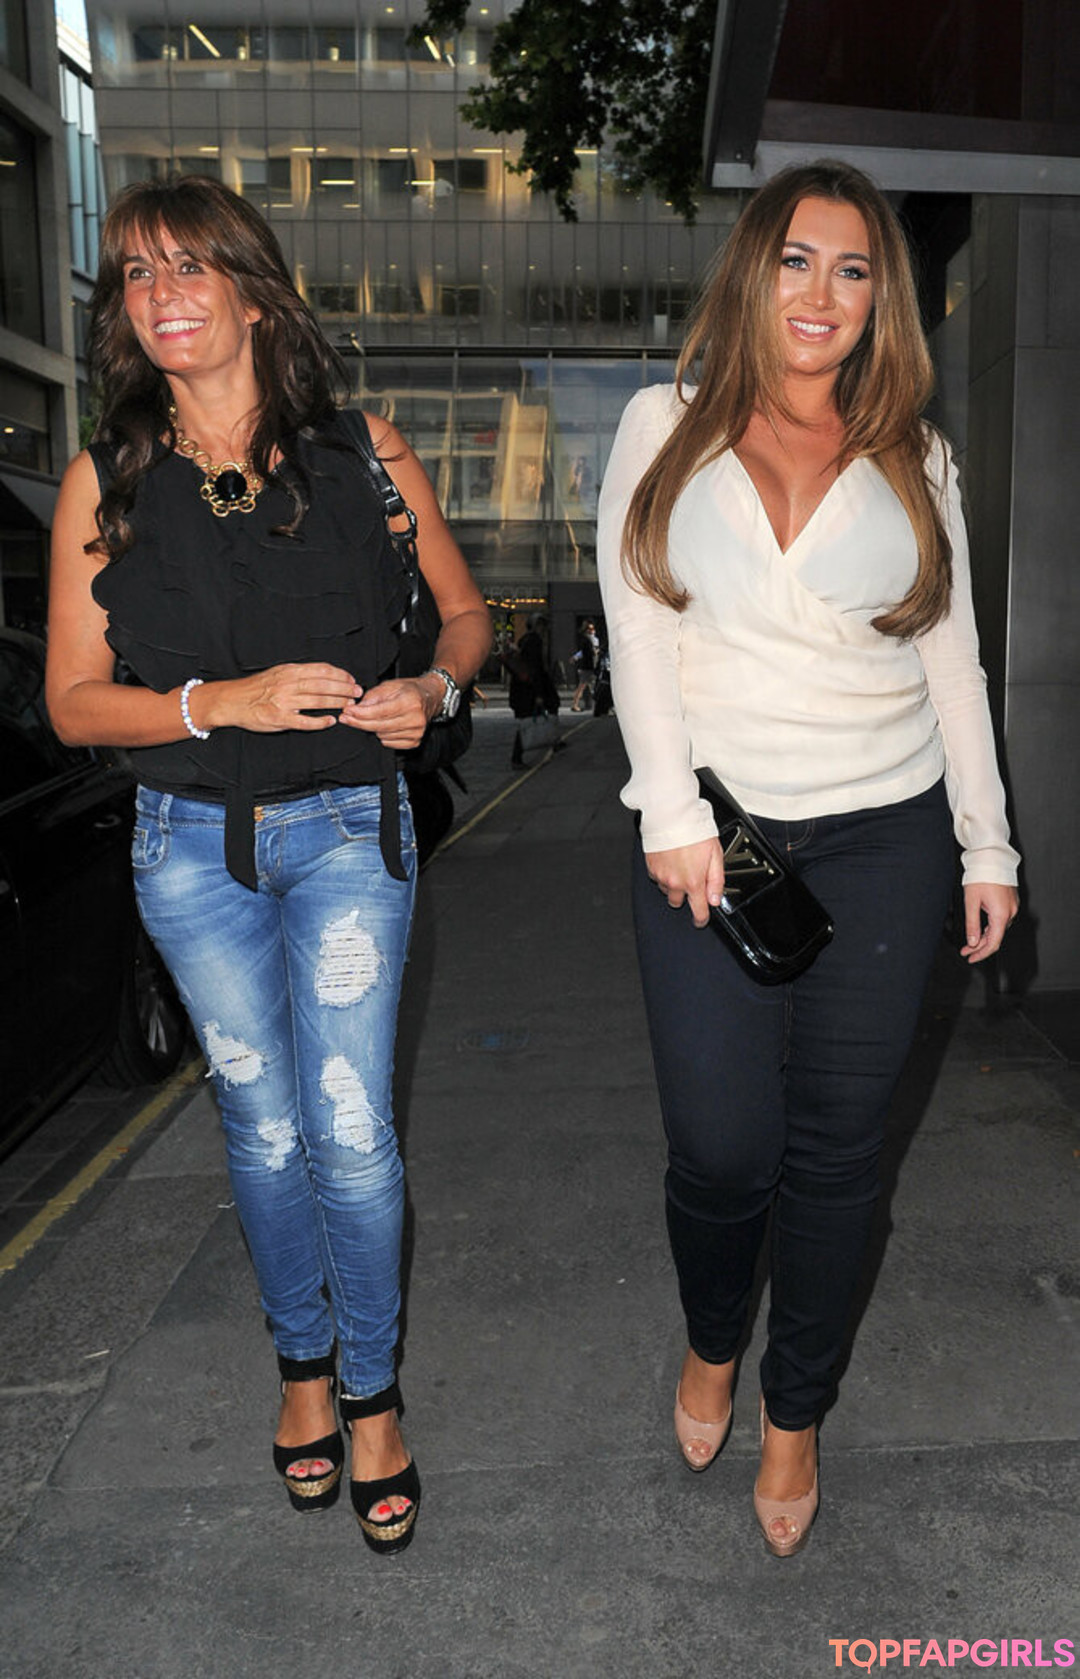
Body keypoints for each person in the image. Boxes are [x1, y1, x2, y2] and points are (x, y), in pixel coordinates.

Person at [46, 175, 491, 1553]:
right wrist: (216, 702)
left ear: (253, 290)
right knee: (264, 1126)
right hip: (192, 848)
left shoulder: (364, 452)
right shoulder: (106, 481)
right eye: (137, 273)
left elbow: (464, 619)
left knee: (350, 1129)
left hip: (352, 827)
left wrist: (434, 690)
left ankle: (372, 1392)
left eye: (189, 265)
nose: (162, 294)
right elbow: (72, 701)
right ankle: (301, 1360)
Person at [597, 161, 1019, 1558]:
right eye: (796, 259)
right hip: (714, 830)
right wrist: (669, 809)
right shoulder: (664, 424)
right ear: (751, 272)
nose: (822, 292)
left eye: (852, 268)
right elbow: (638, 626)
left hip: (888, 831)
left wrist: (986, 840)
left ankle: (795, 1412)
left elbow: (953, 663)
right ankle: (715, 1330)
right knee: (723, 1147)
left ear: (882, 296)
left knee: (841, 1156)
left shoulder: (917, 457)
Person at [504, 613, 561, 768]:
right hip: (530, 689)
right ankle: (517, 757)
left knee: (529, 720)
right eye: (542, 626)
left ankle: (554, 740)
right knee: (530, 720)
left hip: (523, 688)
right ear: (537, 626)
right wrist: (539, 693)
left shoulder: (524, 639)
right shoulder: (535, 641)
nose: (544, 629)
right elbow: (535, 668)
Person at [570, 619, 599, 711]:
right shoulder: (587, 640)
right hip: (587, 666)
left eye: (592, 629)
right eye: (590, 629)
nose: (592, 631)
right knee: (582, 687)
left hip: (589, 666)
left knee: (587, 687)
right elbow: (588, 652)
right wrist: (596, 651)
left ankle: (586, 704)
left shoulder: (590, 639)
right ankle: (575, 704)